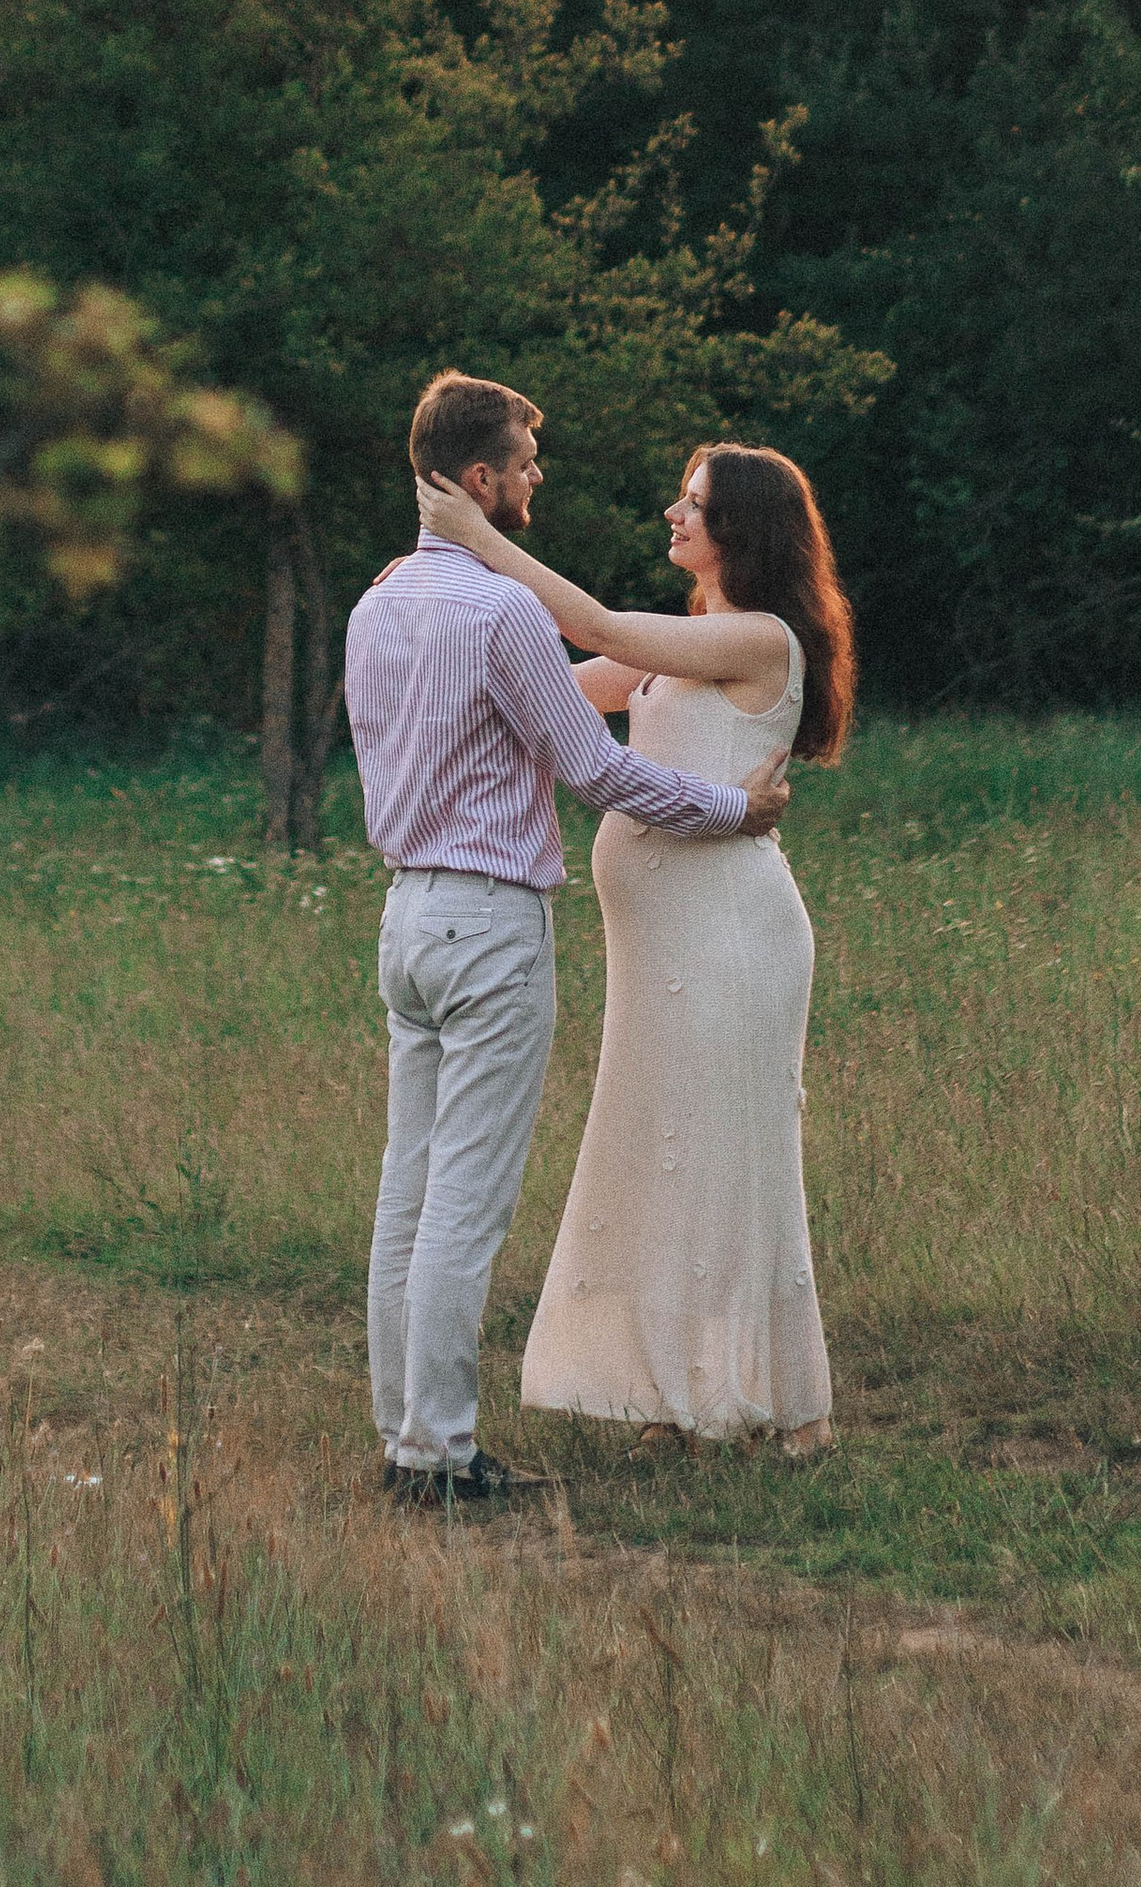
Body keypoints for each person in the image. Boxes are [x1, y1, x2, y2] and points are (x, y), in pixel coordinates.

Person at [346, 372, 790, 1510]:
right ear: (482, 480)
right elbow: (594, 770)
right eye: (527, 465)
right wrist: (731, 810)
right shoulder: (499, 613)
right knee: (462, 1200)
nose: (541, 479)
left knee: (407, 1190)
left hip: (404, 917)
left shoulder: (376, 602)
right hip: (488, 925)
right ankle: (437, 1456)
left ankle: (405, 1436)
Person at [417, 440, 854, 1452]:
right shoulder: (693, 639)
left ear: (739, 528)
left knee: (723, 1157)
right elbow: (561, 685)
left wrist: (479, 539)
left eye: (691, 504)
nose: (671, 514)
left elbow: (600, 627)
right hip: (658, 948)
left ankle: (782, 1406)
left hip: (730, 936)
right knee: (664, 1159)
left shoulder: (762, 640)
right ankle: (678, 1388)